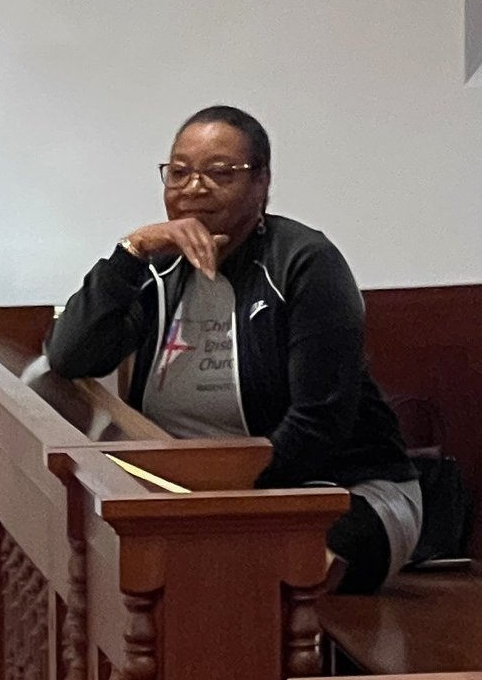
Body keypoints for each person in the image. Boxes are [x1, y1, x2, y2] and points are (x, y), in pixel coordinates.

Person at [45, 105, 435, 592]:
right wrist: (131, 253)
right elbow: (70, 356)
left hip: (335, 492)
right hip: (187, 500)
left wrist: (221, 502)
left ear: (261, 183)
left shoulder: (306, 264)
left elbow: (319, 426)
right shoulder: (158, 270)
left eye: (219, 173)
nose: (193, 188)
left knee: (242, 576)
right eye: (179, 173)